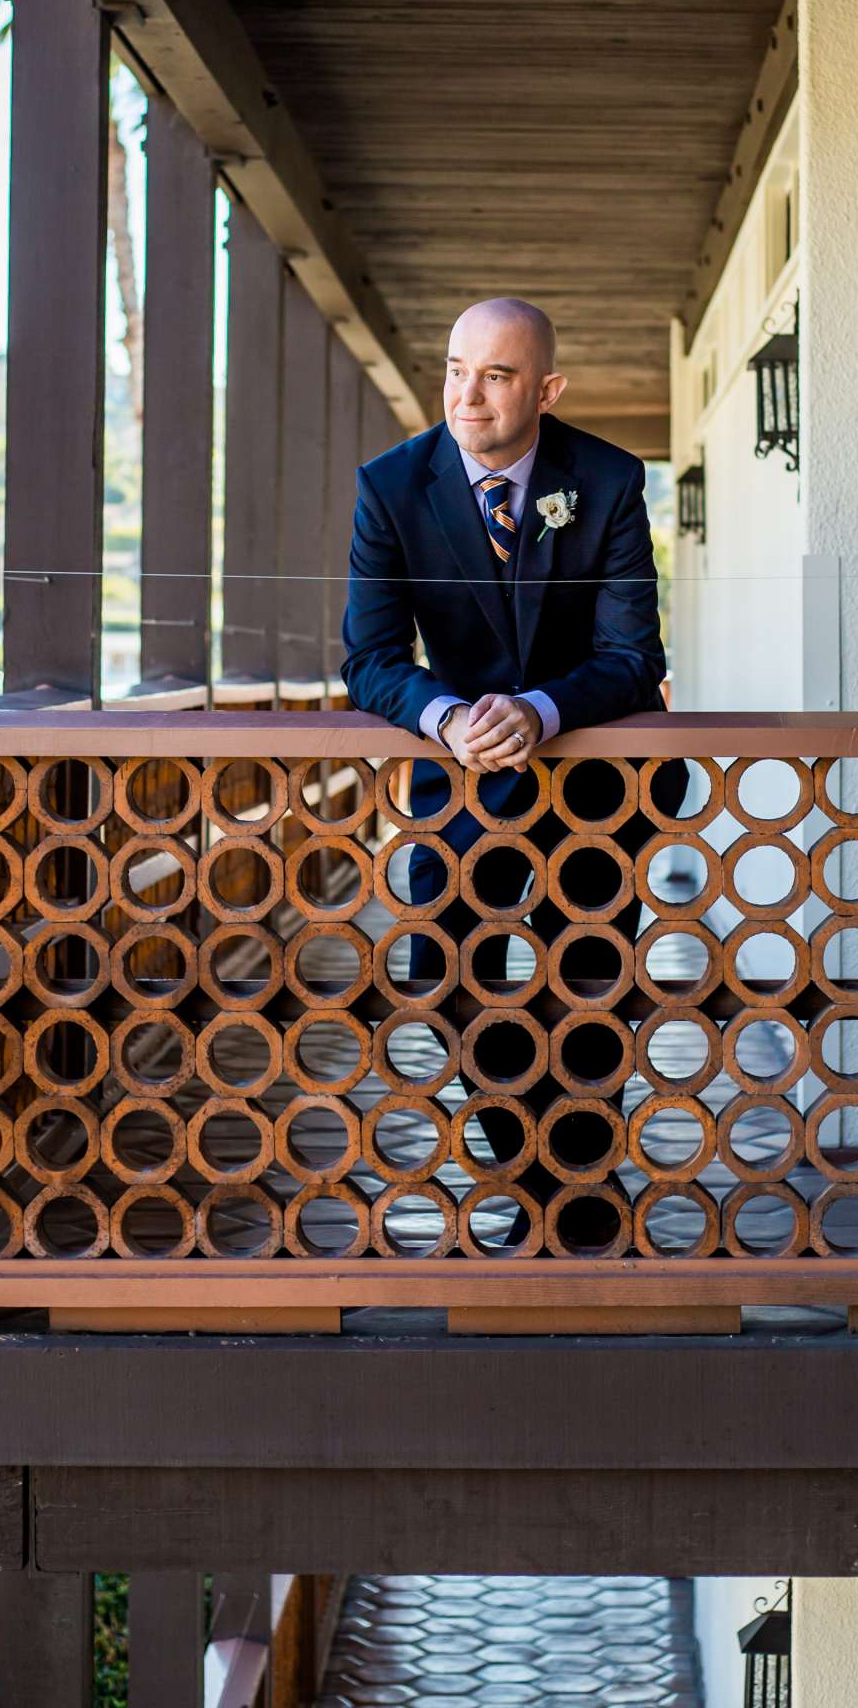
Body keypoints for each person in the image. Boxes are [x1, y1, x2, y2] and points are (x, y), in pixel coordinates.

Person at [342, 296, 681, 1248]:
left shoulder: (608, 481)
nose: (467, 395)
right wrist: (447, 717)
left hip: (589, 783)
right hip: (459, 787)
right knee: (448, 981)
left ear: (547, 389)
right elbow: (368, 659)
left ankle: (577, 1193)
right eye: (456, 369)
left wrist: (536, 711)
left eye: (495, 375)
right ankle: (548, 1178)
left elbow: (630, 655)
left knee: (590, 985)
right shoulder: (390, 486)